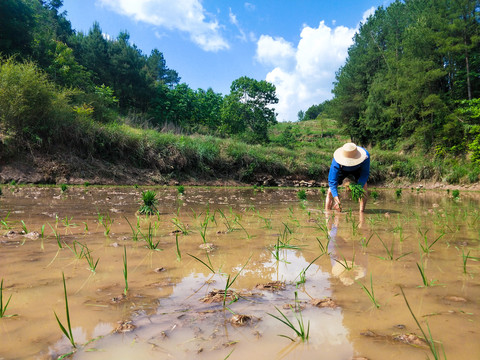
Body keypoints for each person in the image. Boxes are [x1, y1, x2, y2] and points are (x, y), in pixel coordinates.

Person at [325, 142, 370, 212]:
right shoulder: (337, 161)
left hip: (358, 168)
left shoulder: (365, 156)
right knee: (330, 191)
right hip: (342, 168)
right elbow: (332, 182)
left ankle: (361, 212)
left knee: (364, 187)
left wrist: (358, 187)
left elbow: (365, 174)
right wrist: (337, 200)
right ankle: (327, 213)